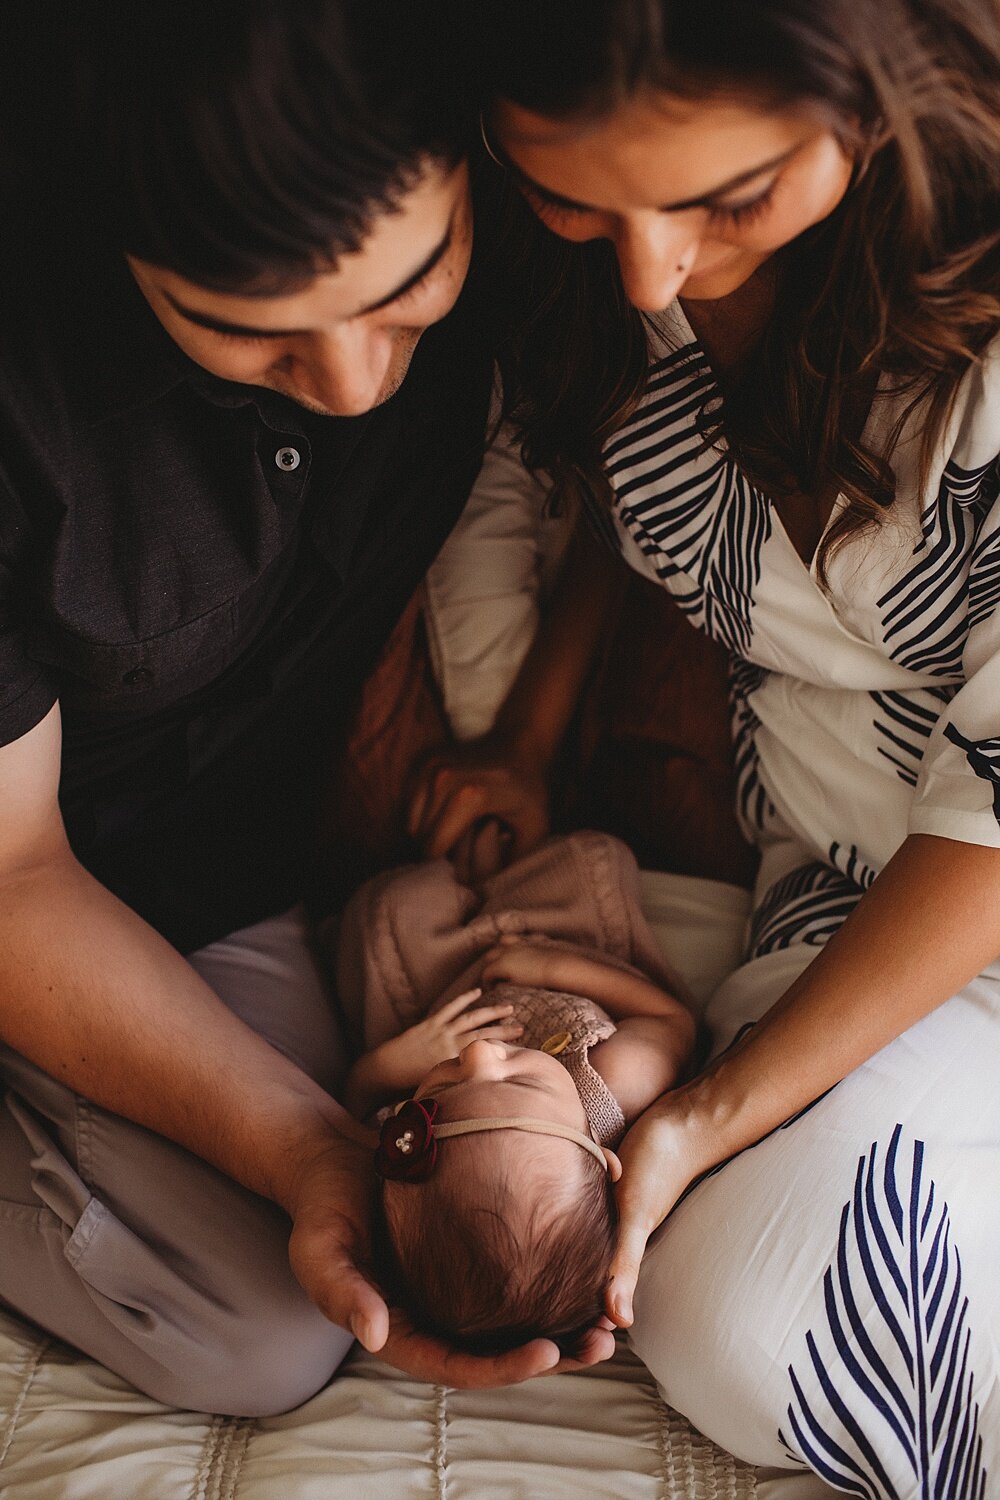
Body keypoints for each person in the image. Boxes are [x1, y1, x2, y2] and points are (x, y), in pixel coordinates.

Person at [0, 1, 622, 1416]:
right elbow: (13, 869)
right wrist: (301, 1148)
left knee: (303, 1306)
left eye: (412, 288)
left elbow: (649, 489)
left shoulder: (525, 187)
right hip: (24, 861)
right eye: (246, 332)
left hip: (199, 869)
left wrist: (527, 736)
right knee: (253, 1337)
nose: (355, 384)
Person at [413, 0, 1000, 1490]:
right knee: (709, 1301)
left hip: (965, 884)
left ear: (873, 99)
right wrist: (531, 736)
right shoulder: (567, 275)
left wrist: (708, 1113)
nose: (650, 267)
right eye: (573, 195)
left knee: (752, 1297)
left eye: (725, 199)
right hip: (832, 916)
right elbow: (641, 505)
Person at [332, 830, 695, 1353]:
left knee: (386, 911)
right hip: (560, 948)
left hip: (444, 991)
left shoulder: (412, 1154)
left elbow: (357, 1099)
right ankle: (507, 841)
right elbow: (669, 1017)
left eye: (440, 1095)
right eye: (521, 1081)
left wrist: (402, 1060)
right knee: (596, 860)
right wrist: (551, 967)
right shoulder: (611, 1085)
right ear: (600, 1156)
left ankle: (451, 851)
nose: (478, 1056)